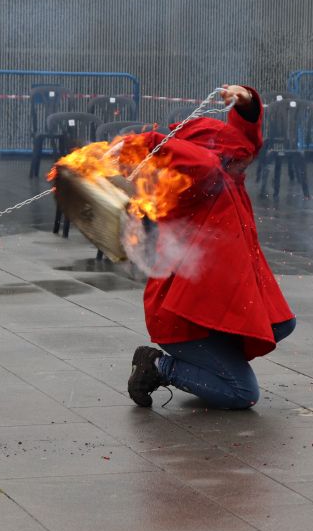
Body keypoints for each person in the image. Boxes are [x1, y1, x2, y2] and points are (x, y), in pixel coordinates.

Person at [117, 84, 295, 410]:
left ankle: (210, 367)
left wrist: (246, 106)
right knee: (242, 393)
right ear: (220, 157)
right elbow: (198, 161)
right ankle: (158, 366)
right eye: (236, 159)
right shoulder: (196, 183)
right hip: (180, 320)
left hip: (205, 308)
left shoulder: (227, 178)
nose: (245, 165)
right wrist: (149, 143)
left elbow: (245, 143)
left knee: (281, 323)